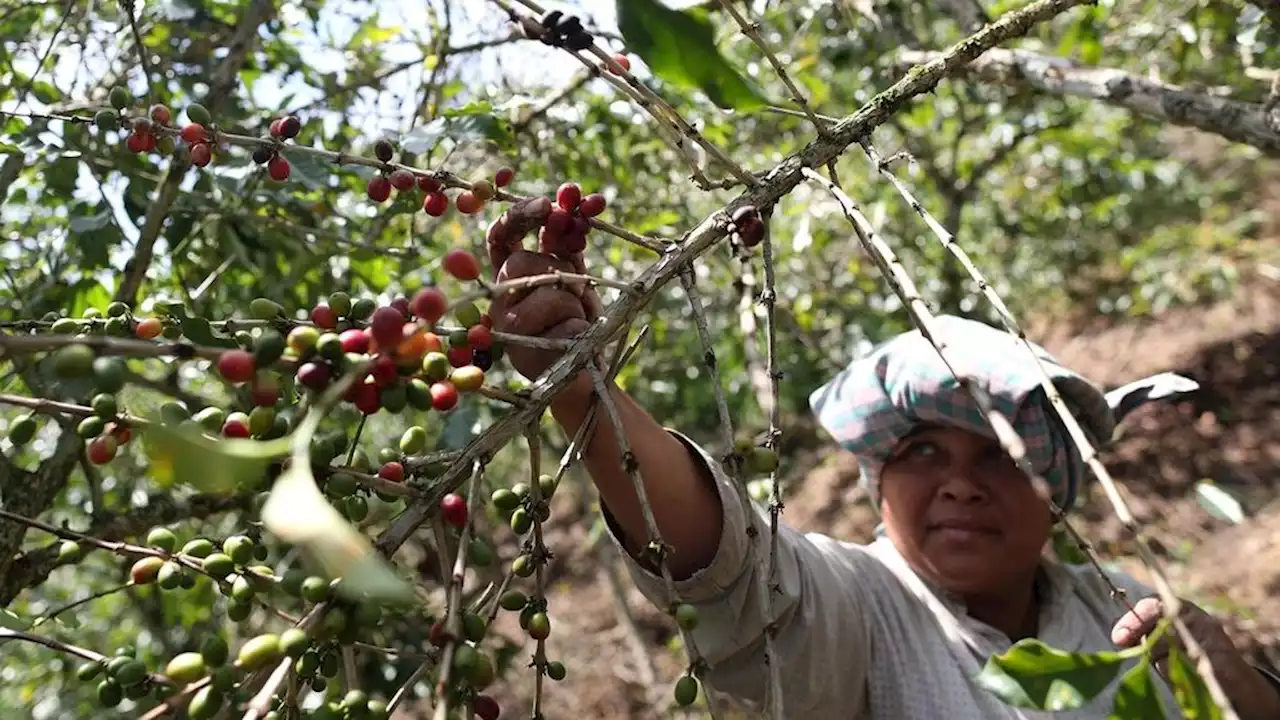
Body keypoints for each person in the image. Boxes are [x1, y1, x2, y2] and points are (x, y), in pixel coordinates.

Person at [483, 198, 1280, 719]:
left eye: (1000, 456)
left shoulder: (1126, 610)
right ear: (880, 483)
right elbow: (733, 569)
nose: (961, 486)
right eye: (925, 450)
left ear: (1055, 490)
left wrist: (1240, 694)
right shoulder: (862, 607)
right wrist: (584, 393)